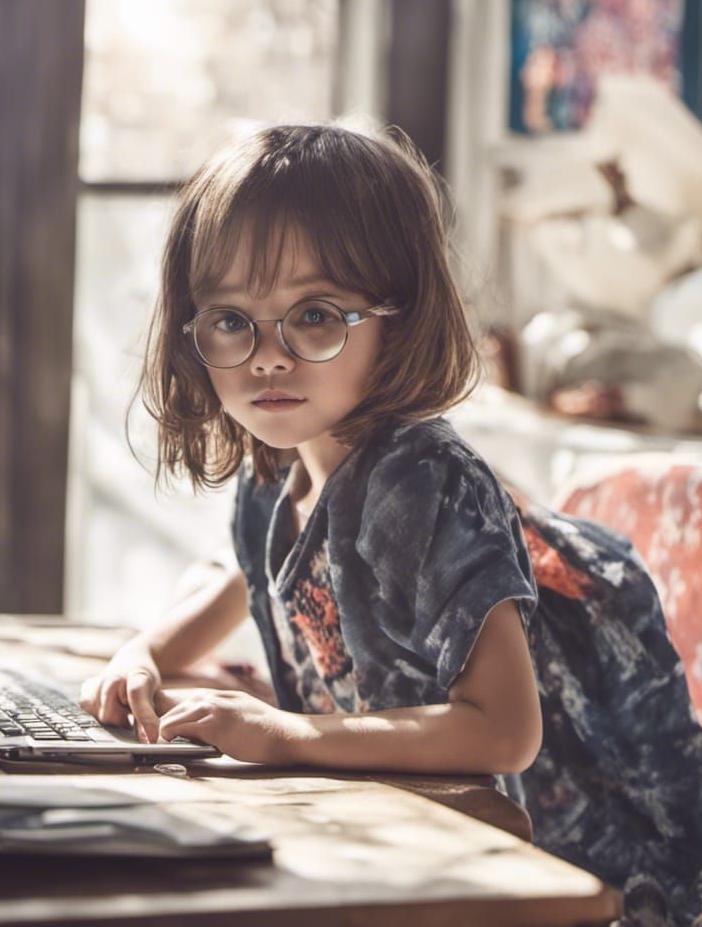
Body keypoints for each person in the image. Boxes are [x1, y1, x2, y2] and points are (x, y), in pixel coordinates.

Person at [79, 123, 541, 776]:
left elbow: (504, 734)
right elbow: (243, 575)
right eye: (232, 320)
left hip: (504, 846)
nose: (268, 358)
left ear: (400, 317)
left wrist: (286, 734)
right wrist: (143, 654)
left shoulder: (425, 484)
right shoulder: (275, 476)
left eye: (316, 315)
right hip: (375, 821)